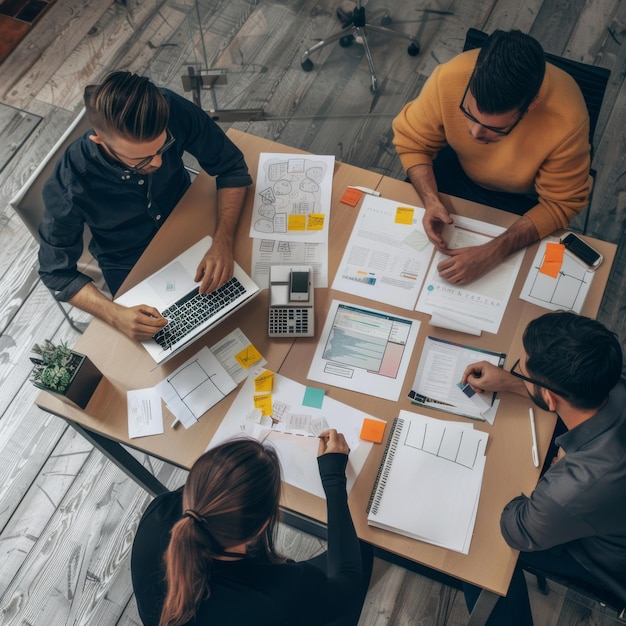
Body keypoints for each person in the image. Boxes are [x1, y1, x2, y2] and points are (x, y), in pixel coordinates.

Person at [39, 71, 253, 340]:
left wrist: (223, 240)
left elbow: (231, 167)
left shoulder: (167, 108)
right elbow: (57, 273)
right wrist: (116, 314)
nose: (157, 163)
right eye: (140, 160)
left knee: (251, 311)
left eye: (162, 148)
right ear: (100, 142)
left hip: (190, 219)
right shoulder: (71, 184)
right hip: (129, 263)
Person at [461, 311, 626, 624]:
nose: (519, 368)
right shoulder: (611, 375)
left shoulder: (571, 489)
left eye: (523, 369)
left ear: (550, 398)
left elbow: (517, 527)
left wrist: (548, 473)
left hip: (609, 559)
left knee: (479, 546)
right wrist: (513, 382)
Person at [393, 30, 591, 284]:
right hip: (456, 168)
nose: (474, 133)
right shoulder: (449, 77)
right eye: (470, 114)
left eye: (495, 129)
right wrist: (431, 199)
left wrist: (493, 252)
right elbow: (412, 141)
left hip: (523, 199)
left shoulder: (568, 122)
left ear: (530, 108)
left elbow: (560, 204)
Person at [131, 431, 373, 626]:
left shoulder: (158, 515)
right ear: (262, 527)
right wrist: (333, 479)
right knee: (362, 550)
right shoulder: (281, 592)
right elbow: (346, 585)